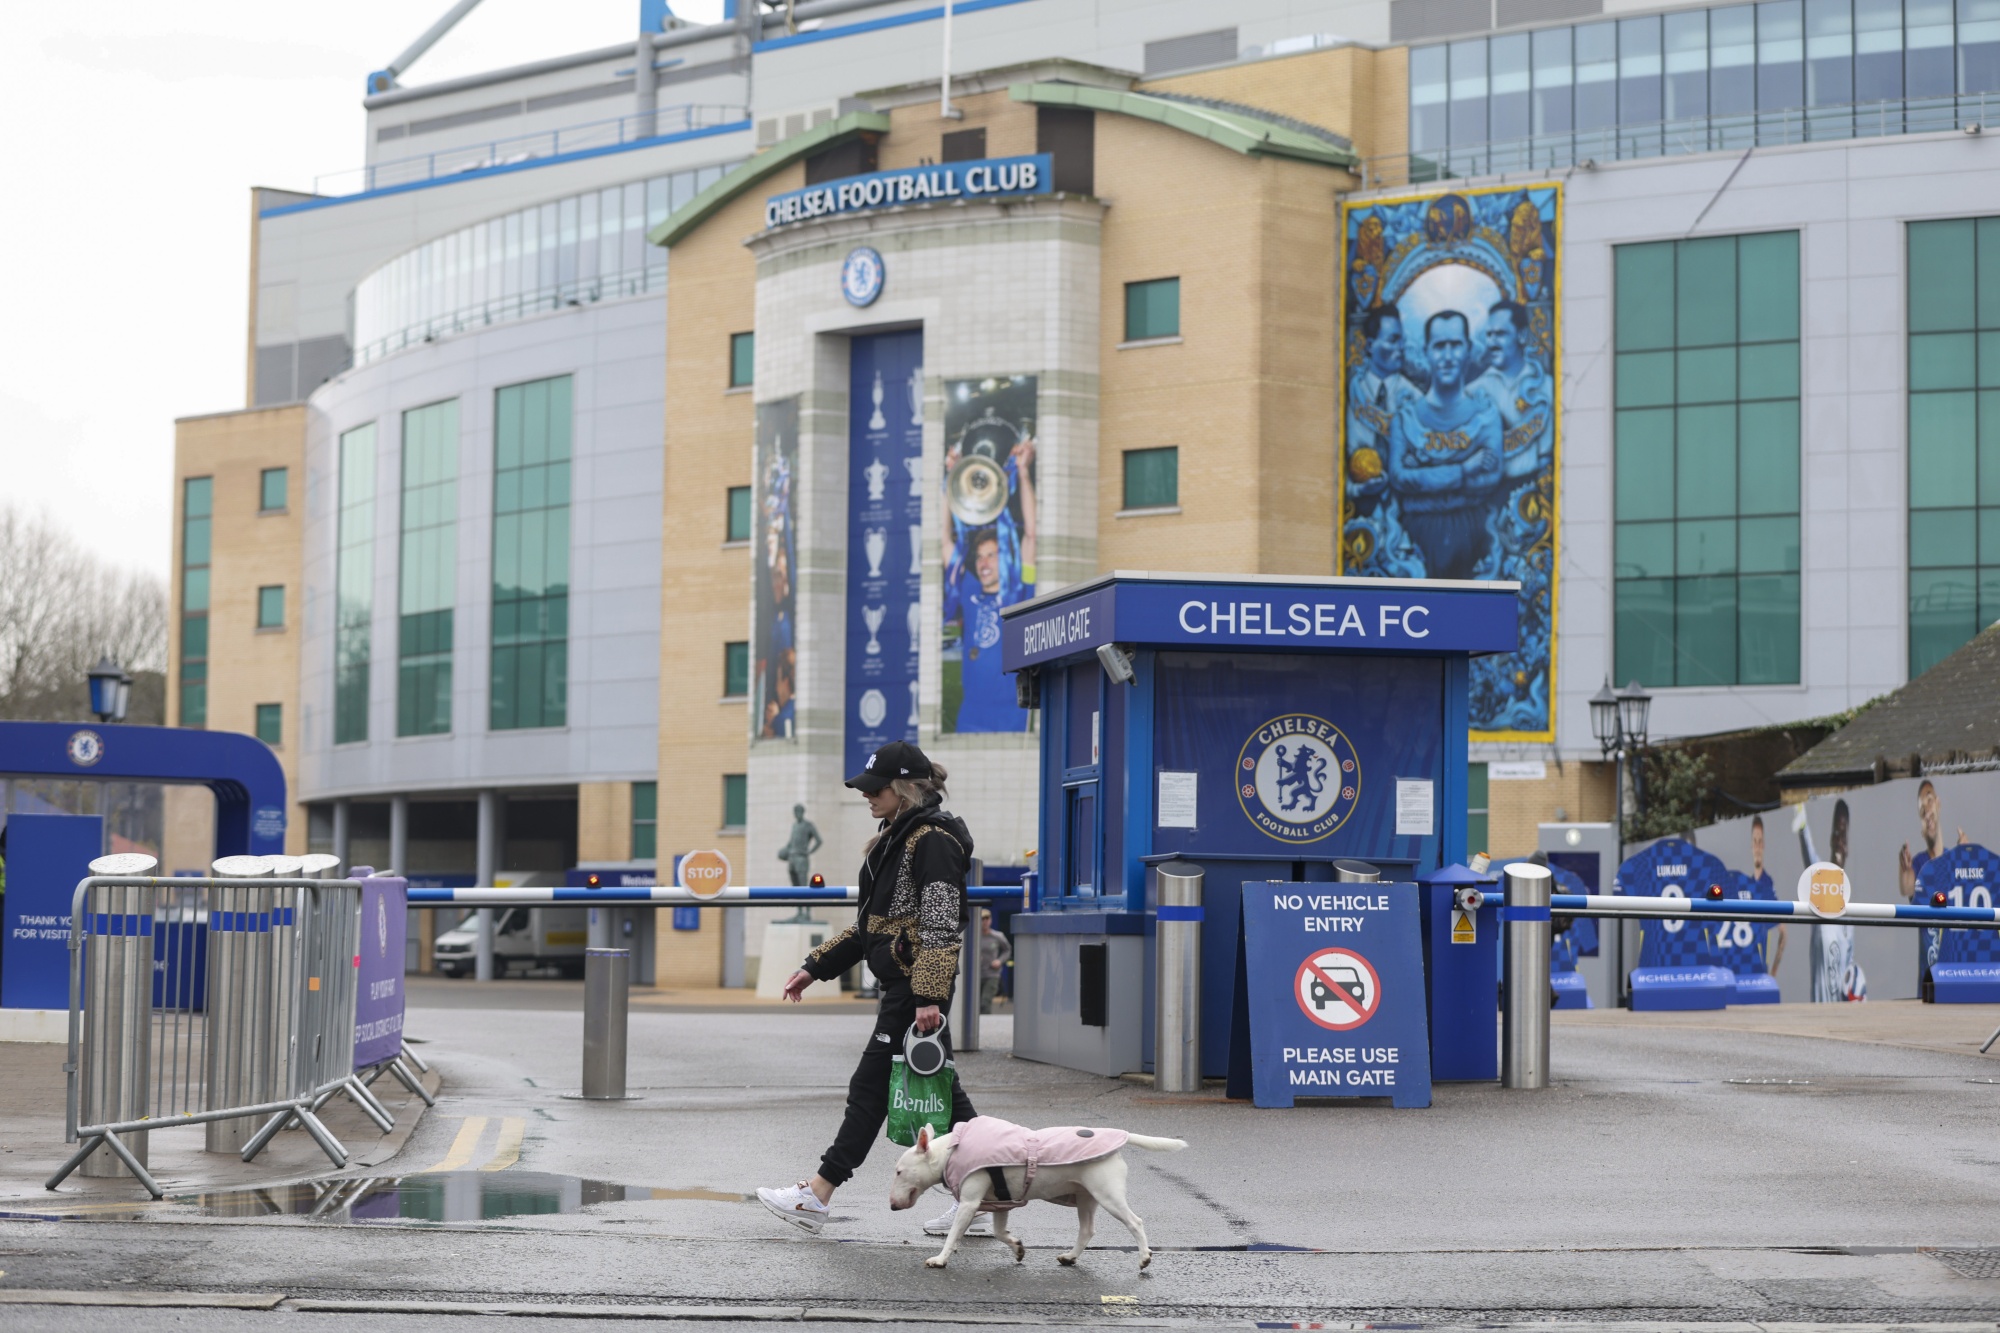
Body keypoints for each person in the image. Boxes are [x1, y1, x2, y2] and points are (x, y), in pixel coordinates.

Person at [757, 741, 982, 1238]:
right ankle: (984, 1196)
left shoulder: (932, 841)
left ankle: (817, 1193)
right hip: (908, 987)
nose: (867, 797)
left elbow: (943, 924)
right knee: (943, 1099)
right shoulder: (897, 837)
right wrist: (816, 965)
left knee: (872, 1088)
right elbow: (871, 927)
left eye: (875, 788)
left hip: (915, 989)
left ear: (903, 789)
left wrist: (926, 996)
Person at [1385, 310, 1505, 580]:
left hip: (1473, 537)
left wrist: (1426, 480)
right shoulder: (1406, 418)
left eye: (1455, 345)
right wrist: (1463, 470)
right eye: (1439, 346)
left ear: (1469, 349)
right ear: (1426, 351)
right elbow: (1400, 477)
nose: (1448, 356)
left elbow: (1491, 476)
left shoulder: (1486, 416)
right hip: (1415, 540)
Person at [941, 438, 1036, 732]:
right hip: (970, 715)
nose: (984, 562)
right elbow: (945, 539)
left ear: (1004, 558)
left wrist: (1022, 473)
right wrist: (951, 480)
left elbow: (1032, 535)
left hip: (1012, 715)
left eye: (991, 556)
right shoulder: (969, 590)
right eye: (980, 557)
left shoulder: (1021, 589)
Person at [1469, 300, 1554, 483]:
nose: (1492, 342)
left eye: (1500, 334)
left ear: (1522, 335)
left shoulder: (1545, 387)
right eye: (1489, 335)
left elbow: (1547, 459)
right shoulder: (1473, 392)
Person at [1750, 814, 1786, 976]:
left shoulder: (1766, 884)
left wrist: (1773, 972)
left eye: (1760, 842)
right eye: (1754, 841)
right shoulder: (1746, 883)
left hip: (1760, 973)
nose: (1757, 847)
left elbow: (1783, 933)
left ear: (1763, 845)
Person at [777, 804, 823, 887]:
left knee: (802, 884)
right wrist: (784, 851)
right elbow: (791, 842)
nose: (796, 814)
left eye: (798, 811)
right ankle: (796, 899)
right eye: (795, 812)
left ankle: (803, 899)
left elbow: (819, 841)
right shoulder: (795, 825)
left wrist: (810, 851)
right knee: (794, 884)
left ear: (802, 812)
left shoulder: (808, 825)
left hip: (801, 857)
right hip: (792, 857)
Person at [978, 909, 1011, 1014]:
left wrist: (999, 961)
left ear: (991, 920)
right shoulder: (974, 936)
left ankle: (984, 1024)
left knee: (985, 1002)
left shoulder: (998, 936)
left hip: (992, 974)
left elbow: (1007, 950)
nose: (985, 921)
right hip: (976, 974)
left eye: (987, 918)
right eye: (982, 919)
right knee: (974, 1003)